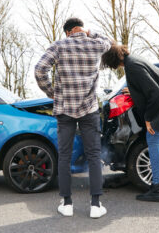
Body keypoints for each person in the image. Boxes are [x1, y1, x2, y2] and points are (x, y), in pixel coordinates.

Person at [35, 17, 111, 218]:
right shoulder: (95, 44)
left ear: (67, 32)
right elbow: (109, 42)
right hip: (89, 109)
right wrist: (90, 33)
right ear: (81, 29)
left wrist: (50, 92)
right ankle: (95, 205)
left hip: (65, 108)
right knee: (94, 155)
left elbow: (40, 69)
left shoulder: (59, 45)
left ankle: (67, 203)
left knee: (65, 156)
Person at [101, 43, 159, 202]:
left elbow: (155, 92)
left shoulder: (133, 66)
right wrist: (134, 91)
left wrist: (149, 119)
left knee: (153, 140)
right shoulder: (132, 61)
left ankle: (157, 188)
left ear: (112, 59)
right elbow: (148, 86)